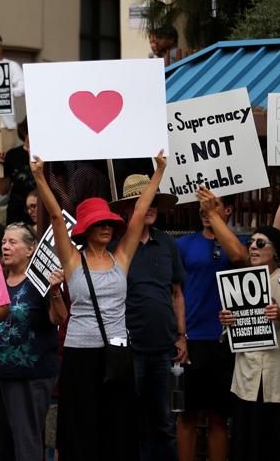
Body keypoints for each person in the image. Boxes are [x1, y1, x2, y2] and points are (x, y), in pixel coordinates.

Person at [30, 150, 166, 460]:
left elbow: (139, 211)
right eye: (98, 223)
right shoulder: (73, 260)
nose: (105, 227)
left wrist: (158, 171)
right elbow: (55, 218)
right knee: (80, 426)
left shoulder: (121, 259)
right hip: (80, 354)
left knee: (117, 425)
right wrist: (39, 176)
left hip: (116, 352)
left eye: (108, 223)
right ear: (86, 229)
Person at [108, 174, 187, 460]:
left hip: (165, 348)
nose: (150, 206)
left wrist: (182, 336)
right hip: (129, 349)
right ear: (129, 208)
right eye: (144, 201)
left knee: (165, 423)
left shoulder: (167, 243)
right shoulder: (114, 246)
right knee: (131, 420)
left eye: (154, 200)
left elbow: (177, 292)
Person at [0, 223, 67, 460]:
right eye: (3, 242)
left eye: (12, 242)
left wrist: (55, 290)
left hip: (30, 375)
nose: (5, 246)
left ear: (31, 249)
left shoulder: (40, 281)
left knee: (27, 444)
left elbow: (59, 318)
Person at [176, 188, 246, 461]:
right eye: (203, 206)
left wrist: (213, 215)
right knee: (186, 416)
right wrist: (179, 335)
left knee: (219, 417)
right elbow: (175, 292)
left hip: (223, 341)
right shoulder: (183, 245)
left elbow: (239, 258)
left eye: (215, 205)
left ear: (228, 210)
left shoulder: (239, 244)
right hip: (191, 341)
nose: (206, 210)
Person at [218, 224, 280, 460]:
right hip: (247, 379)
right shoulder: (239, 283)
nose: (253, 247)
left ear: (275, 252)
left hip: (278, 383)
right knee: (245, 444)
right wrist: (226, 321)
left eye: (261, 243)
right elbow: (232, 335)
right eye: (250, 243)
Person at [0, 121, 36, 225]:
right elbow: (2, 190)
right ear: (25, 132)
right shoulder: (13, 155)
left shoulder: (48, 155)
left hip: (41, 212)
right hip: (17, 213)